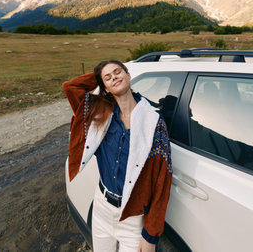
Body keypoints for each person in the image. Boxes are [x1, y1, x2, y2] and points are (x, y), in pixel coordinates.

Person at [62, 59, 172, 252]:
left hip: (132, 217)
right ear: (103, 86)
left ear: (129, 75)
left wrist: (150, 237)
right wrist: (98, 78)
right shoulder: (99, 112)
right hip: (102, 207)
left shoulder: (153, 120)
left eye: (118, 72)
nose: (114, 77)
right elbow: (71, 87)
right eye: (108, 77)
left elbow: (161, 182)